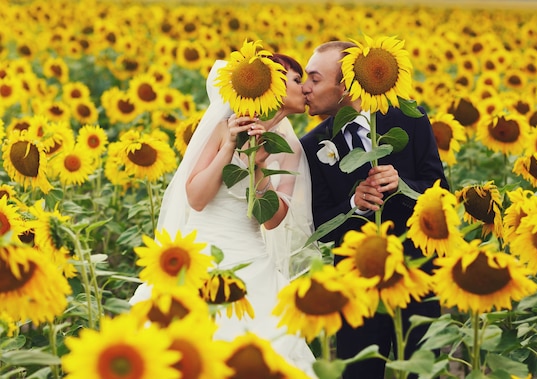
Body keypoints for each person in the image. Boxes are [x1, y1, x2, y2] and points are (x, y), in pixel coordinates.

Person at [131, 54, 319, 376]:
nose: (304, 90)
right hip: (199, 252)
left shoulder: (290, 147)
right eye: (296, 80)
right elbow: (196, 198)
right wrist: (230, 147)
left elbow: (273, 220)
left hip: (252, 259)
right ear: (271, 83)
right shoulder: (225, 128)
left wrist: (258, 167)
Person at [300, 41, 448, 379]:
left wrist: (402, 184)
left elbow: (440, 192)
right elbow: (319, 224)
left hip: (414, 271)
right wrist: (354, 204)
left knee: (422, 371)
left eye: (314, 79)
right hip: (356, 284)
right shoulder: (313, 146)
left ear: (346, 85)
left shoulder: (408, 118)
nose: (305, 88)